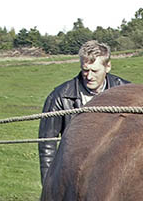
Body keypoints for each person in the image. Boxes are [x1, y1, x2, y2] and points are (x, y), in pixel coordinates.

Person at [38, 40, 129, 183]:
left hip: (115, 171)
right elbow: (46, 146)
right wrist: (49, 187)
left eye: (94, 71)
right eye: (85, 70)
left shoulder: (126, 93)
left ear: (108, 66)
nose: (89, 76)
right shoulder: (60, 97)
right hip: (74, 172)